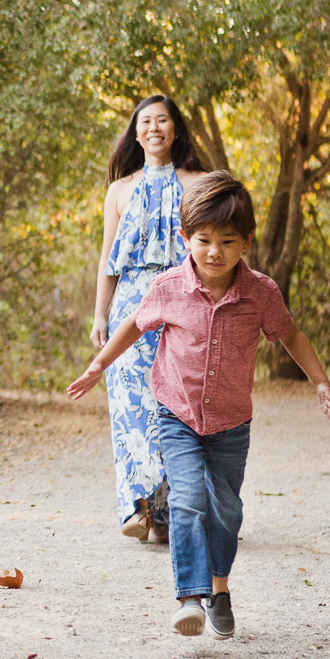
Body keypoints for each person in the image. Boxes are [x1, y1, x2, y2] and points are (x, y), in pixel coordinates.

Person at [67, 172, 330, 639]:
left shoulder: (261, 293)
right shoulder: (170, 287)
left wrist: (320, 383)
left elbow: (290, 334)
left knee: (227, 512)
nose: (215, 251)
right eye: (204, 239)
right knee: (189, 500)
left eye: (228, 241)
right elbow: (134, 323)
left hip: (232, 423)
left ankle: (220, 589)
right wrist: (99, 366)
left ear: (247, 241)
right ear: (185, 238)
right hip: (177, 416)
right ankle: (189, 597)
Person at [91, 95, 206, 544]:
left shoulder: (201, 182)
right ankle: (141, 509)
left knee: (178, 405)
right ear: (135, 132)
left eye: (163, 120)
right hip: (130, 311)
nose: (155, 128)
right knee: (130, 409)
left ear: (176, 129)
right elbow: (107, 261)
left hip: (183, 304)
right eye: (146, 121)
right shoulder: (119, 190)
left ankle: (171, 508)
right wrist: (100, 314)